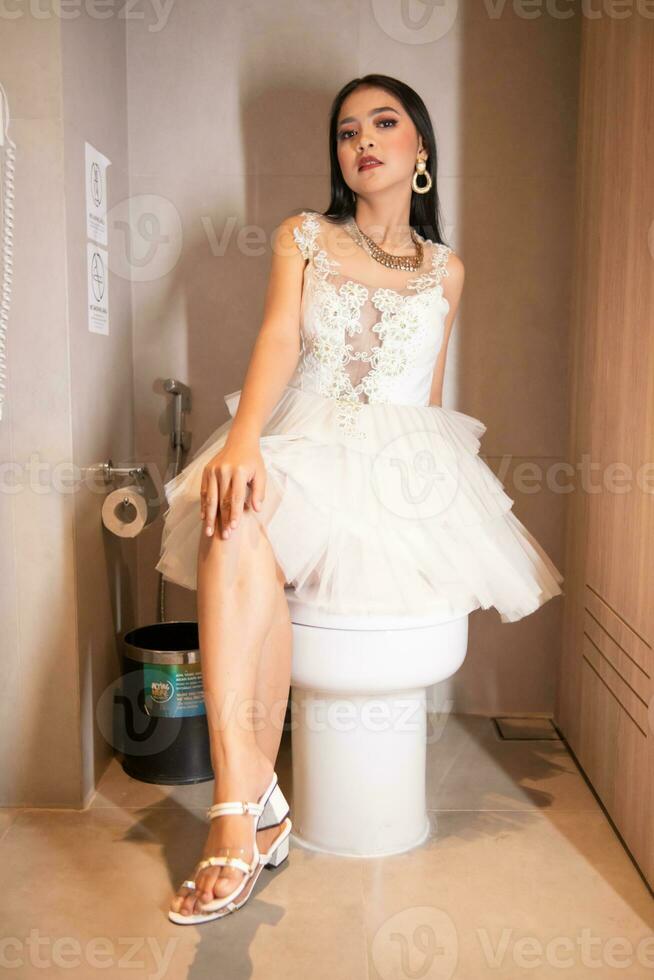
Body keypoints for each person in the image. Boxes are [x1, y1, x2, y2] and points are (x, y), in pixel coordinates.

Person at [160, 73, 564, 923]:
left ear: (420, 149)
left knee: (318, 574)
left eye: (385, 123)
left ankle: (252, 815)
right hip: (302, 440)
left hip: (400, 461)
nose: (364, 140)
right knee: (230, 522)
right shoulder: (303, 236)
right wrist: (241, 443)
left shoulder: (448, 271)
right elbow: (277, 337)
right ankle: (241, 807)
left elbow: (428, 392)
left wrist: (430, 496)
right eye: (348, 131)